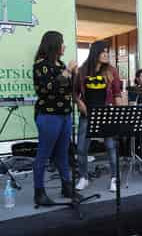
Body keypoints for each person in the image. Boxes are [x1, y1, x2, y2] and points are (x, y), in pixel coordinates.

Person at [32, 31, 78, 206]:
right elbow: (47, 89)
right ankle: (39, 193)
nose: (65, 46)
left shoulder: (60, 64)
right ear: (54, 45)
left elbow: (67, 89)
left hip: (65, 114)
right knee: (44, 154)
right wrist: (67, 72)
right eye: (62, 43)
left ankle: (66, 187)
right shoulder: (41, 65)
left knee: (63, 154)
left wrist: (74, 74)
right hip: (49, 115)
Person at [74, 41, 123, 191]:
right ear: (95, 53)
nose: (106, 54)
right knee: (82, 148)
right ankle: (83, 177)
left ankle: (114, 178)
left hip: (106, 113)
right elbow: (75, 92)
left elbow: (117, 93)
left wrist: (119, 113)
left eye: (107, 52)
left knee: (110, 146)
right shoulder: (82, 70)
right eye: (103, 52)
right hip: (87, 115)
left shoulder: (111, 71)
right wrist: (79, 102)